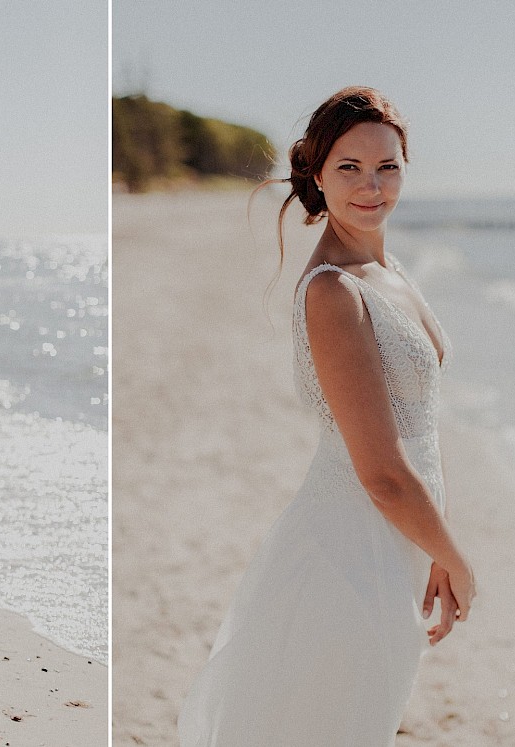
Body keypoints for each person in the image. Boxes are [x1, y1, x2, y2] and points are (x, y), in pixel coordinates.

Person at [178, 87, 476, 745]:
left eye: (387, 166)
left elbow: (419, 420)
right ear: (316, 173)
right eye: (349, 167)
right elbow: (382, 472)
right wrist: (457, 559)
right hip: (350, 550)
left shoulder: (385, 265)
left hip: (400, 541)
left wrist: (433, 541)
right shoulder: (334, 293)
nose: (372, 186)